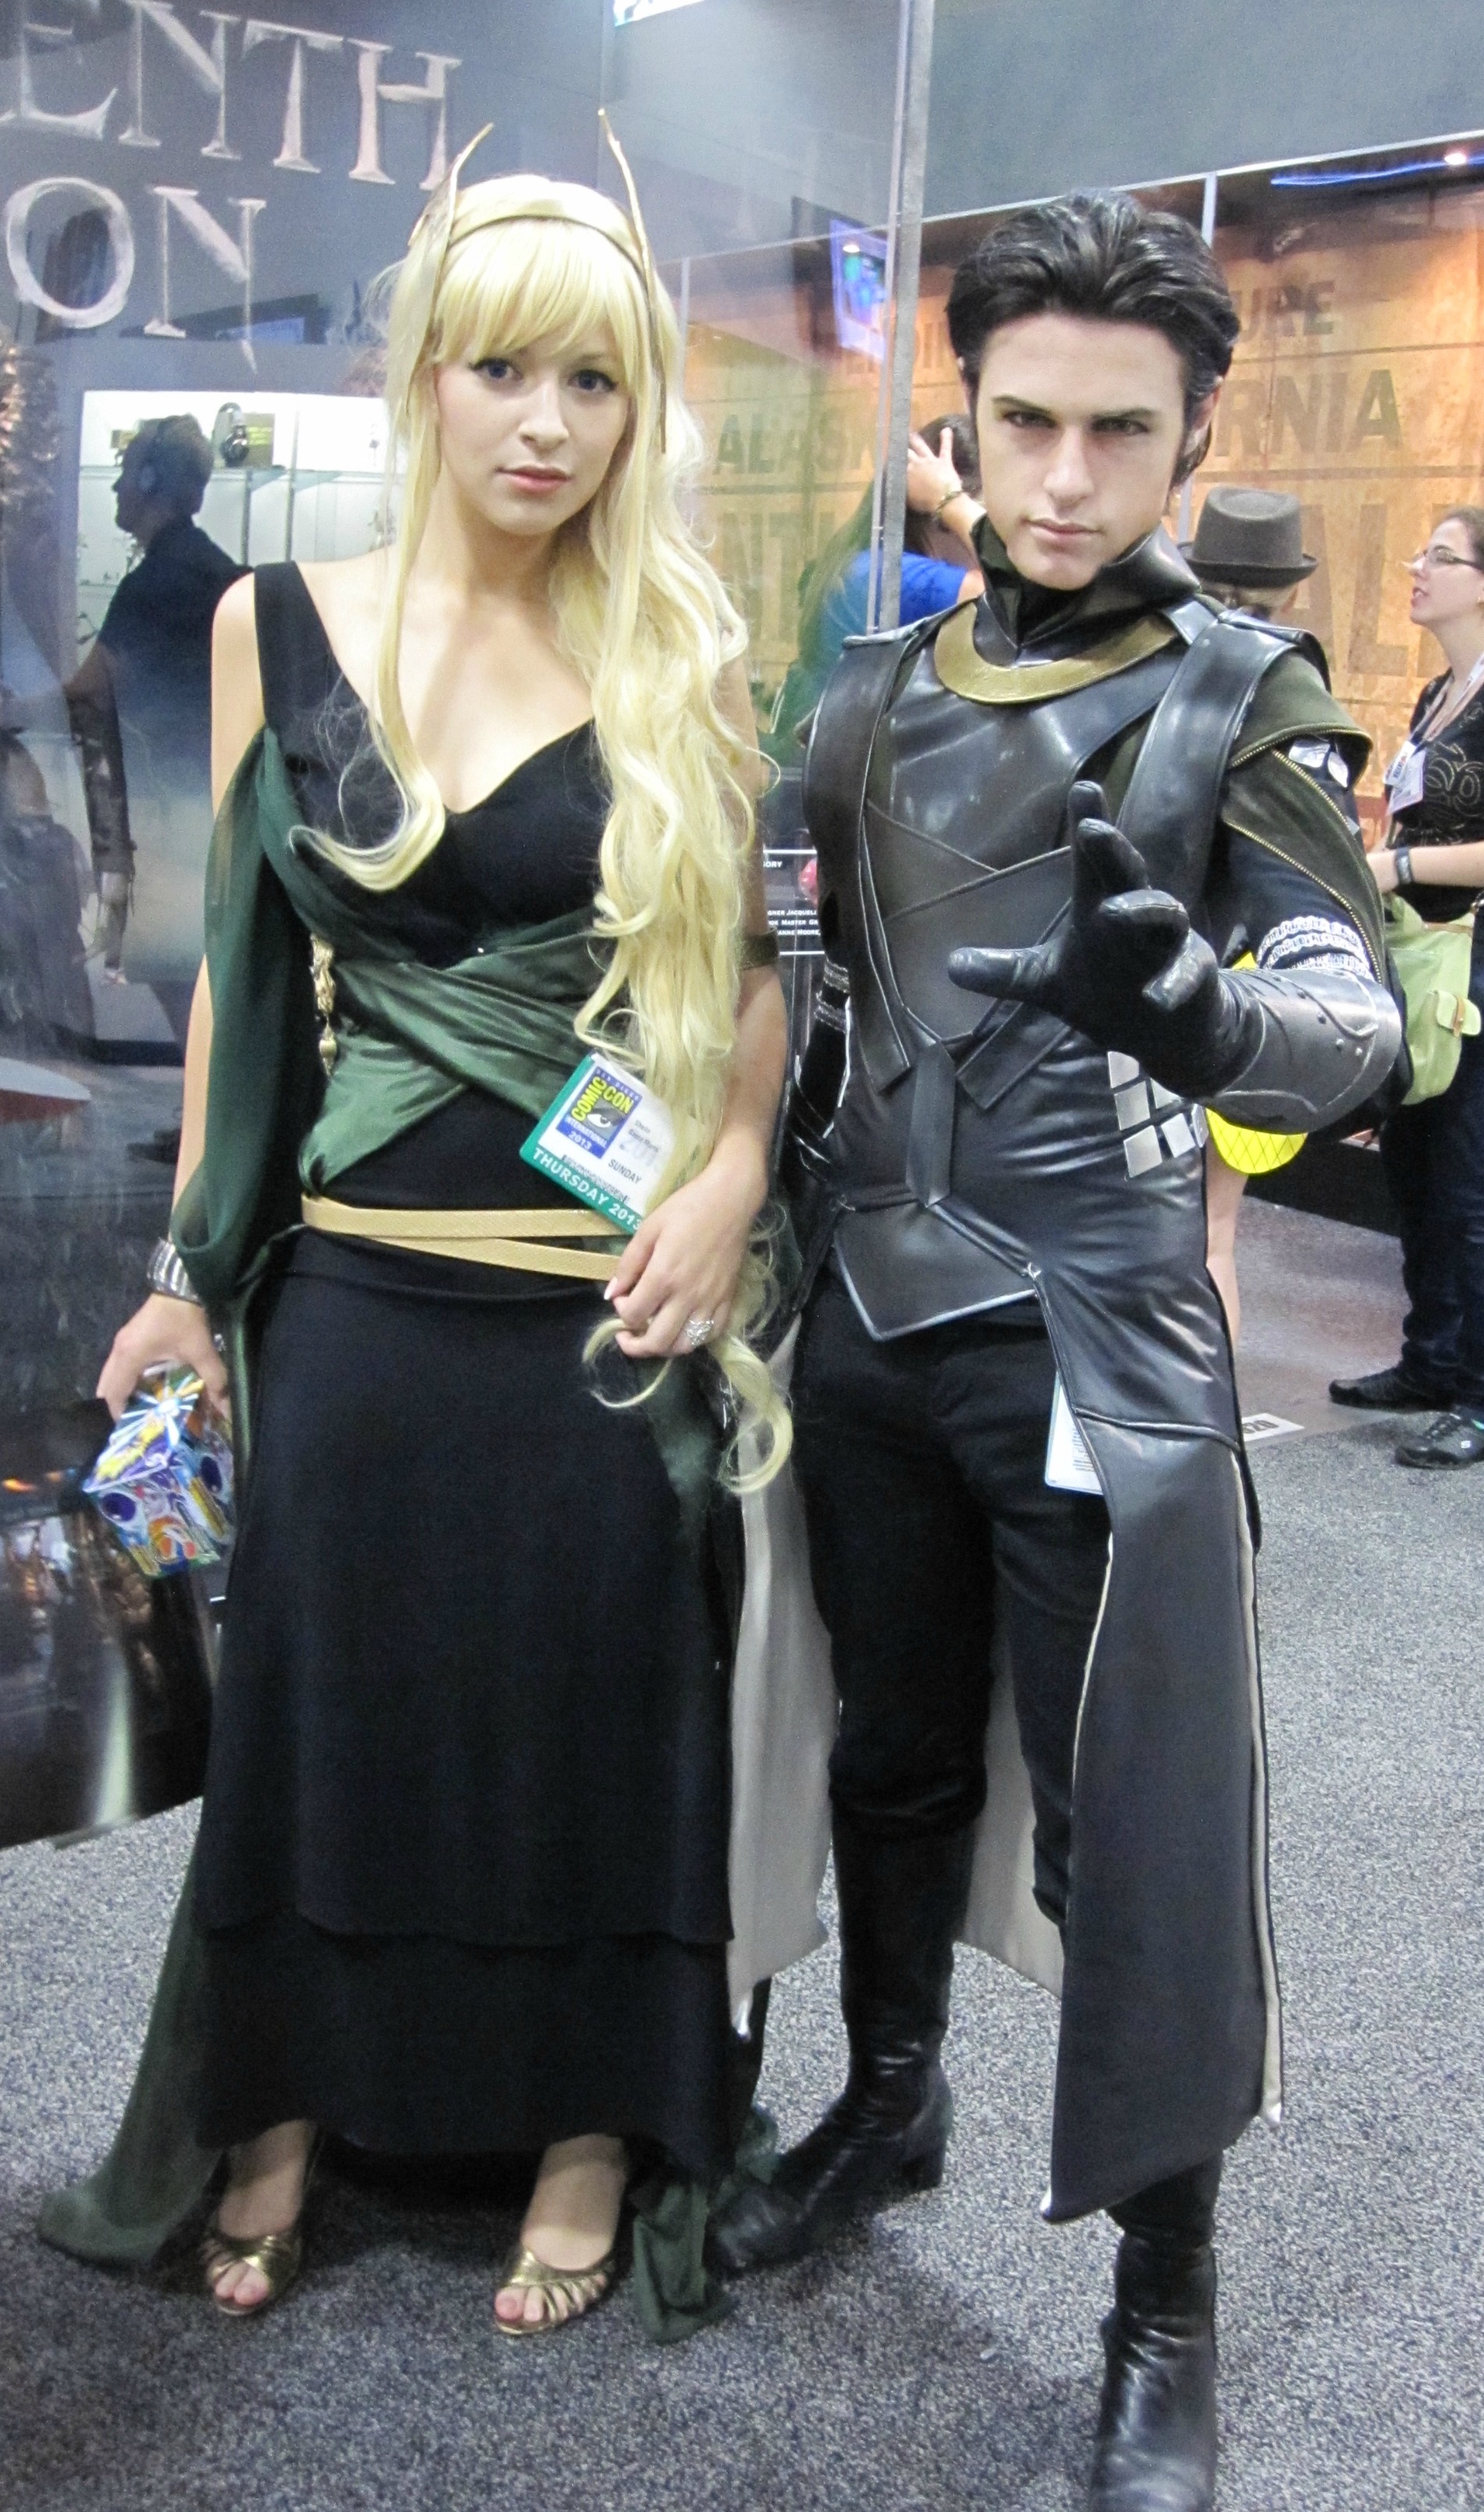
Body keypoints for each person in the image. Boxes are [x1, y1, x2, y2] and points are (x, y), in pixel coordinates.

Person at [41, 147, 789, 2340]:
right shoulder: (278, 626)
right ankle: (281, 2103)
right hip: (364, 1275)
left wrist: (734, 1170)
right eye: (501, 372)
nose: (546, 425)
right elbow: (237, 967)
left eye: (595, 381)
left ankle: (587, 2123)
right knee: (330, 1699)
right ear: (423, 378)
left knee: (594, 1705)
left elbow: (750, 973)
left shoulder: (677, 647)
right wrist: (193, 1263)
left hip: (597, 1296)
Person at [709, 193, 1400, 2511]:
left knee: (1138, 1837)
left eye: (1122, 431)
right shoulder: (868, 693)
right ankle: (887, 2101)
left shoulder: (1241, 696)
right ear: (967, 421)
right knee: (891, 1754)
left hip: (1100, 1340)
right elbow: (794, 979)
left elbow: (1358, 1018)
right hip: (869, 1323)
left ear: (1195, 444)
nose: (1070, 474)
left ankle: (1161, 2309)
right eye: (1028, 424)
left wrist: (1215, 1014)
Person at [1331, 507, 1484, 1467]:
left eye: (1440, 555)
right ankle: (1429, 1358)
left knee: (1464, 1182)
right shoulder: (1435, 693)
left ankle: (1475, 1393)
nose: (1415, 568)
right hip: (1419, 957)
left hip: (1471, 959)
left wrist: (1400, 869)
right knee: (1416, 1167)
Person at [1183, 487, 1327, 1341]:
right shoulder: (1291, 687)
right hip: (1243, 981)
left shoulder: (1178, 672)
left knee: (1182, 1235)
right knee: (1214, 1234)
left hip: (1173, 977)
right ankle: (1214, 1411)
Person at [65, 416, 246, 1030]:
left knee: (177, 979)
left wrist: (15, 710)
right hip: (212, 805)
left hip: (170, 813)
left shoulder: (156, 581)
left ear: (149, 481)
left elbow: (88, 688)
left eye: (126, 473)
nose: (118, 487)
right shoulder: (209, 566)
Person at [765, 415, 984, 762]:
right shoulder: (888, 573)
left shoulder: (869, 562)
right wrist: (953, 501)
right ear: (938, 516)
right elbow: (1019, 590)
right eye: (985, 519)